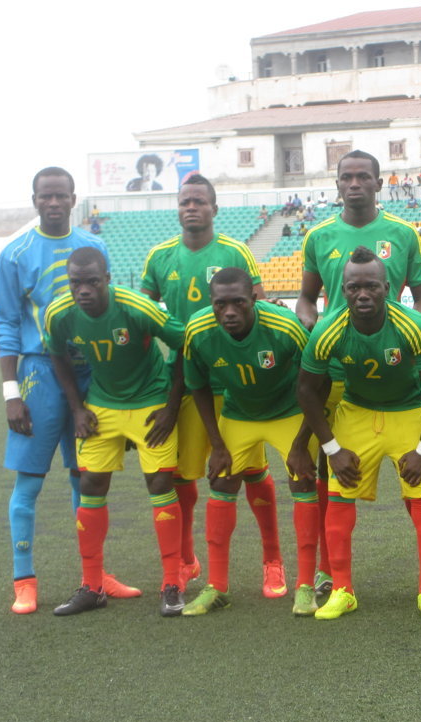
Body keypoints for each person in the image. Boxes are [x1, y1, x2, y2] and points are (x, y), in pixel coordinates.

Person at [296, 149, 421, 599]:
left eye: (362, 176)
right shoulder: (318, 236)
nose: (354, 184)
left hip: (393, 364)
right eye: (346, 177)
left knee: (414, 474)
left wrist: (408, 337)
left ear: (378, 183)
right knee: (332, 465)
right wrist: (311, 324)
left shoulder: (402, 233)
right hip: (334, 366)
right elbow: (307, 298)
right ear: (337, 184)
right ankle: (328, 571)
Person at [0, 167, 137, 615]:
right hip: (39, 373)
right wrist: (11, 393)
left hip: (90, 373)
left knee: (87, 478)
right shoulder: (15, 254)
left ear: (74, 199)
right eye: (45, 196)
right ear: (34, 200)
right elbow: (6, 322)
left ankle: (95, 577)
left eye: (60, 195)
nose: (53, 203)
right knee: (29, 480)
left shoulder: (94, 247)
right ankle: (24, 580)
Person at [140, 175, 280, 597]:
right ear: (177, 208)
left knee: (251, 471)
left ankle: (272, 561)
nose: (191, 207)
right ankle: (186, 561)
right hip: (185, 382)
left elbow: (259, 307)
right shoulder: (160, 257)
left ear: (214, 208)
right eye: (185, 201)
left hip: (236, 381)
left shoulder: (235, 252)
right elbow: (144, 321)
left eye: (199, 201)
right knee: (184, 477)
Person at [45, 247, 187, 616]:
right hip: (102, 404)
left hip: (150, 400)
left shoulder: (137, 307)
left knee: (160, 483)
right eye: (76, 283)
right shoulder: (59, 314)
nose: (84, 290)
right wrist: (77, 409)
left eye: (92, 282)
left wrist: (171, 408)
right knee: (90, 483)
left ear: (107, 279)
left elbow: (185, 342)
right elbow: (56, 354)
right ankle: (92, 586)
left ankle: (172, 584)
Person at [182, 269, 322, 616]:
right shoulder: (198, 330)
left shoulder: (285, 327)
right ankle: (217, 587)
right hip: (239, 413)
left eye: (238, 303)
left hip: (289, 410)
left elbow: (317, 382)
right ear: (211, 303)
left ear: (254, 300)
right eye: (221, 304)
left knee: (303, 481)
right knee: (221, 481)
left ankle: (305, 587)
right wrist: (216, 444)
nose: (229, 312)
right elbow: (198, 386)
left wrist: (301, 444)